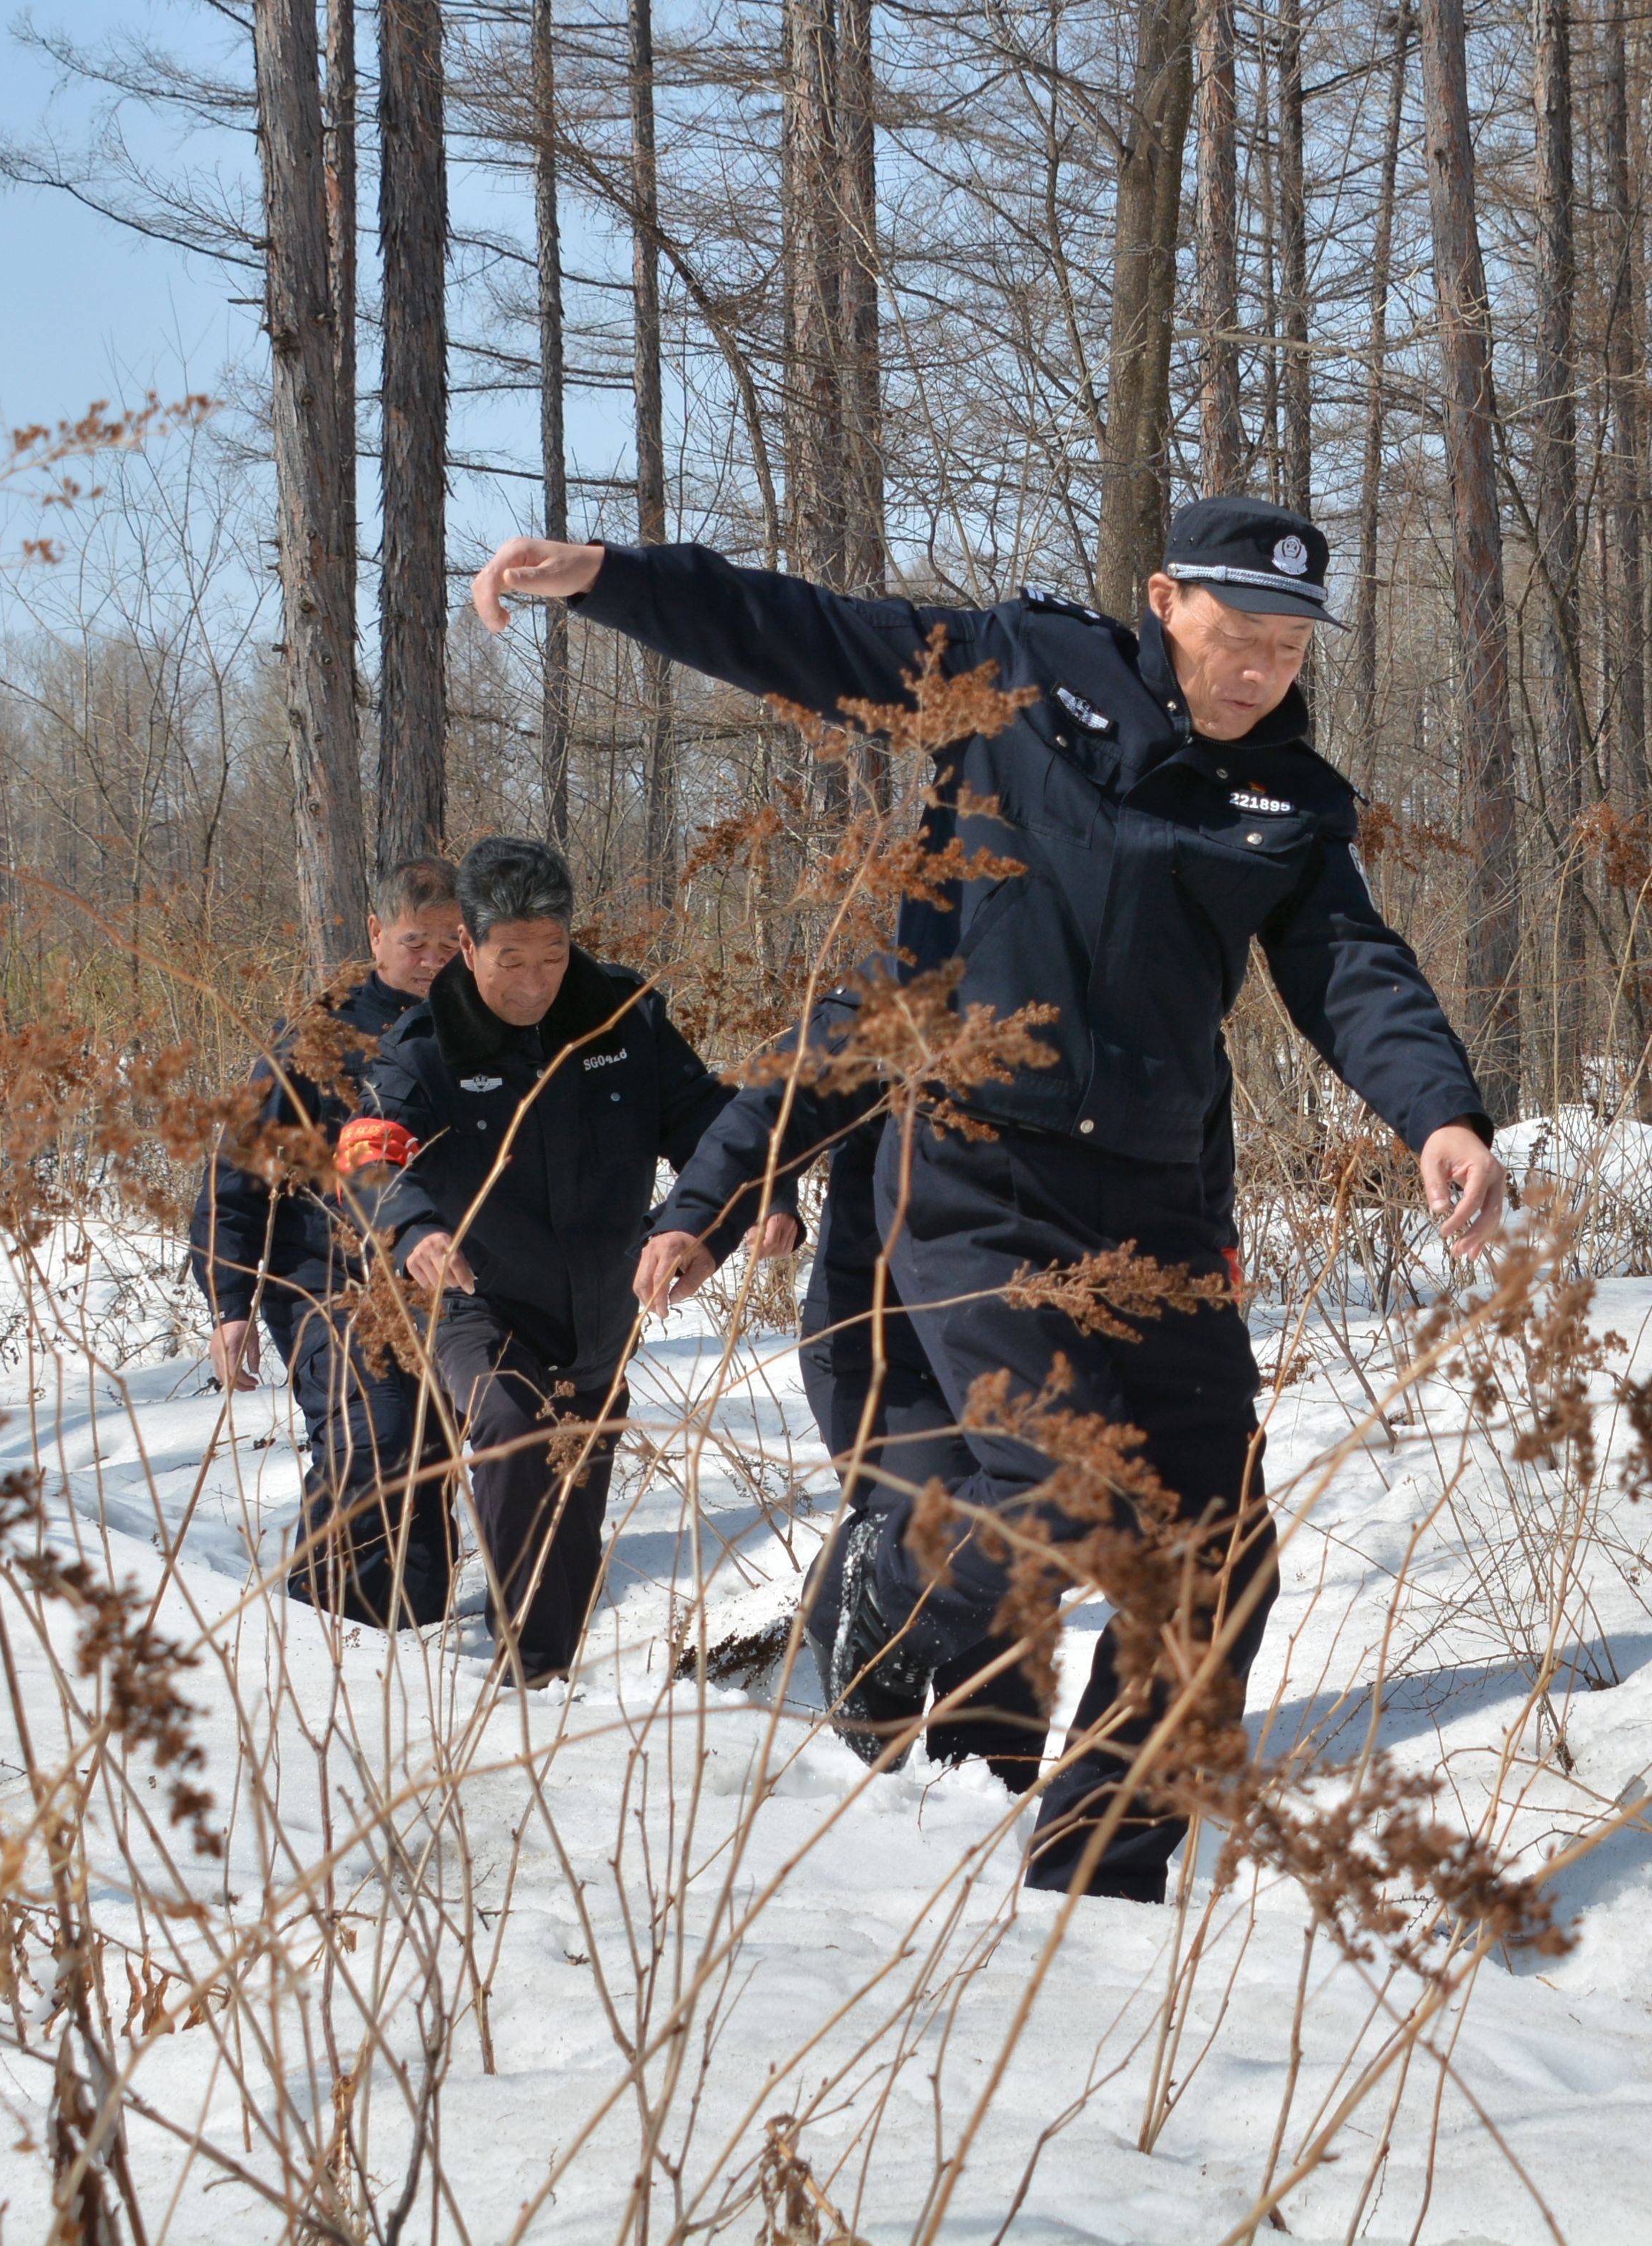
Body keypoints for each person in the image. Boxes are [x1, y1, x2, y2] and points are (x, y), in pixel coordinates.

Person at [467, 494, 1507, 1901]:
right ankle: (883, 1591)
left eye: (1287, 643)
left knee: (1219, 1548)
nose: (1260, 667)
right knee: (1060, 1489)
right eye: (1236, 632)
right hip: (975, 1170)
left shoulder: (1285, 804)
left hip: (1159, 1201)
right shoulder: (1023, 672)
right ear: (1161, 599)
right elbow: (811, 635)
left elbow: (1349, 966)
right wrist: (609, 580)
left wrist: (1436, 1111)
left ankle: (1098, 1876)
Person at [632, 981, 1056, 1783]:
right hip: (879, 1331)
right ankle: (873, 1776)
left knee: (1020, 1549)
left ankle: (989, 1790)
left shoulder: (1106, 984)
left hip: (1015, 1333)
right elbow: (771, 1108)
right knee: (936, 1520)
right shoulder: (919, 973)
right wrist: (701, 1218)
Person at [362, 837, 737, 1683]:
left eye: (552, 957)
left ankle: (540, 1683)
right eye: (510, 962)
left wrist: (730, 1212)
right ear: (468, 947)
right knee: (507, 1426)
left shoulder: (625, 1019)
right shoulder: (424, 1046)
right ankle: (523, 1672)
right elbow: (368, 1149)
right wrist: (413, 1225)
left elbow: (719, 1133)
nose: (534, 983)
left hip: (603, 1312)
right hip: (480, 1301)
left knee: (570, 1520)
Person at [193, 857, 466, 1624]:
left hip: (442, 1277)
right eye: (417, 942)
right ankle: (325, 1628)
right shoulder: (317, 1036)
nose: (434, 961)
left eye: (452, 944)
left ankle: (413, 1634)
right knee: (369, 1435)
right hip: (326, 1277)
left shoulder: (484, 1025)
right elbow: (236, 1173)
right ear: (377, 933)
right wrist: (229, 1301)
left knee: (429, 1450)